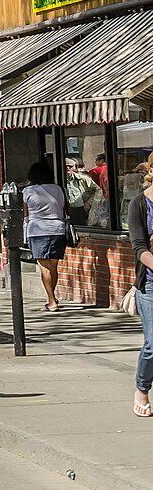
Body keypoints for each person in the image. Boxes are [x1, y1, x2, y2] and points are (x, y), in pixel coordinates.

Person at [22, 161, 69, 312]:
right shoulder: (59, 189)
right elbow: (64, 209)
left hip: (37, 230)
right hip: (57, 229)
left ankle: (52, 301)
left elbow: (26, 215)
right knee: (53, 266)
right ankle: (51, 297)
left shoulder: (28, 191)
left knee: (44, 267)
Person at [128, 157, 153, 417]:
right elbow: (139, 247)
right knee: (152, 344)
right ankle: (142, 389)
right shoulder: (139, 204)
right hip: (150, 284)